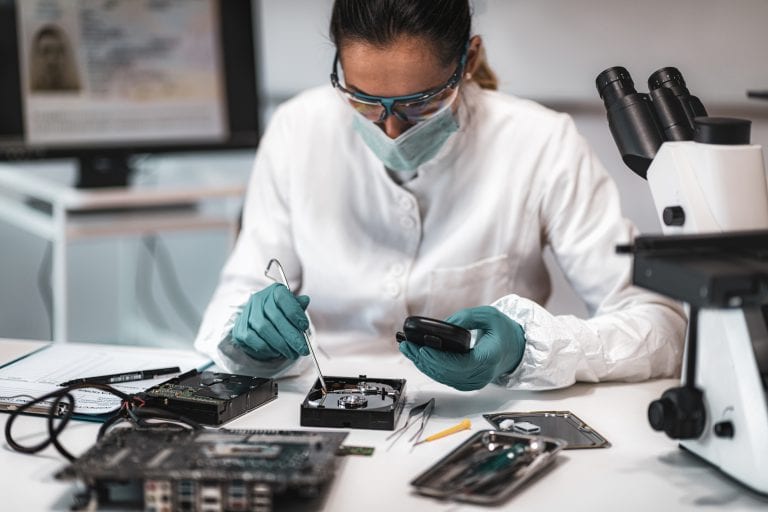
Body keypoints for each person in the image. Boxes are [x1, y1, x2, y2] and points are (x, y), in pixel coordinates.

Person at [195, 0, 686, 391]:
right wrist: (250, 340)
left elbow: (662, 326)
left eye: (419, 104)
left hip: (478, 415)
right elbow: (230, 307)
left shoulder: (541, 143)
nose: (390, 129)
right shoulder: (296, 130)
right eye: (364, 101)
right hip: (322, 403)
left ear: (468, 61)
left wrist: (527, 349)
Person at [29, 24, 81, 92]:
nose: (53, 59)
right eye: (46, 52)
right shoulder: (32, 88)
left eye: (59, 51)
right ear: (36, 57)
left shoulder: (74, 89)